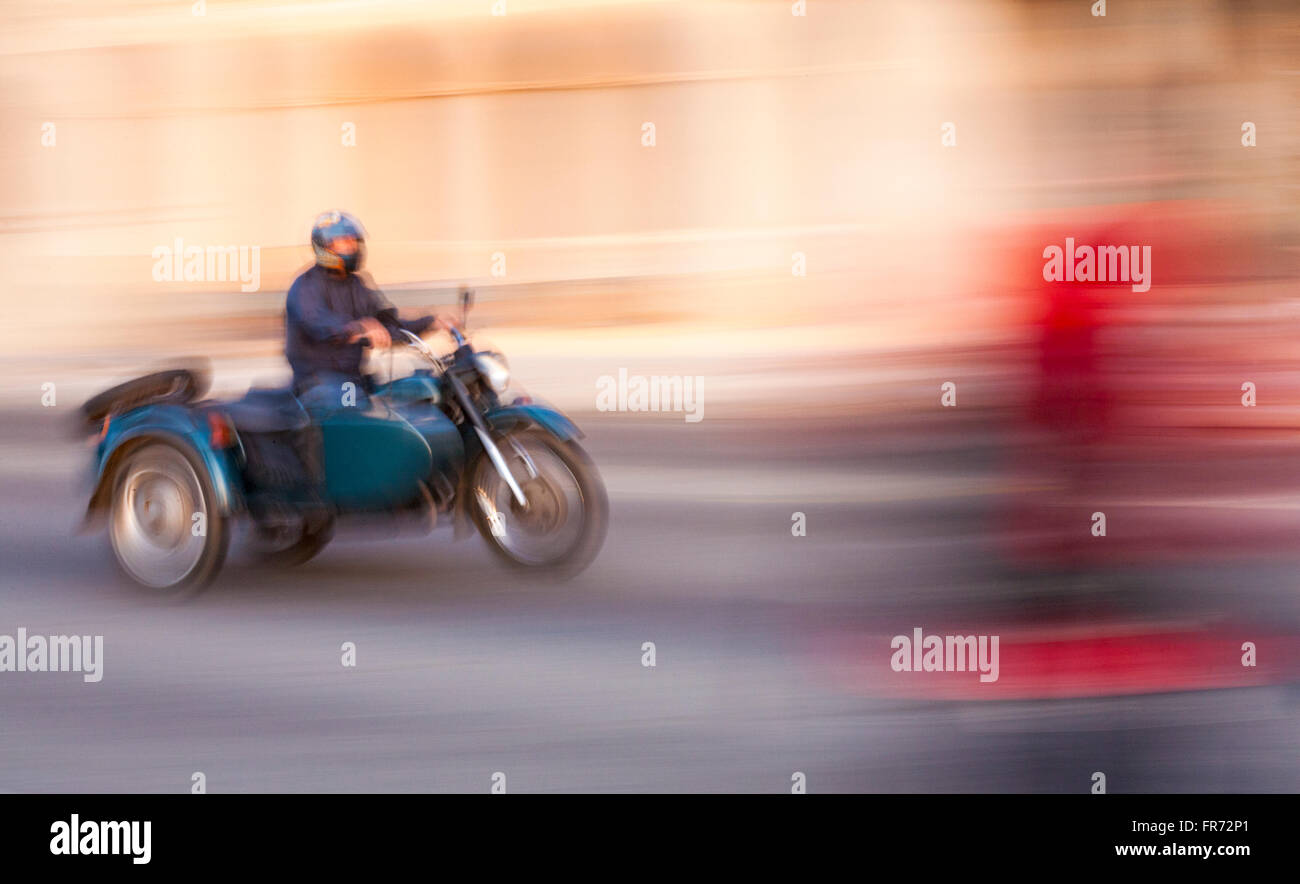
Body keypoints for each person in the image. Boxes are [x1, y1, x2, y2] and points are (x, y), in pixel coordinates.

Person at [285, 210, 458, 411]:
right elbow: (319, 323)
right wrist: (360, 328)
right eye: (343, 241)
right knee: (358, 412)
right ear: (324, 247)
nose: (351, 246)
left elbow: (388, 323)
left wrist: (433, 322)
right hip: (317, 384)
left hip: (354, 380)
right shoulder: (306, 286)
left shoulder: (357, 285)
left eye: (353, 241)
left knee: (413, 393)